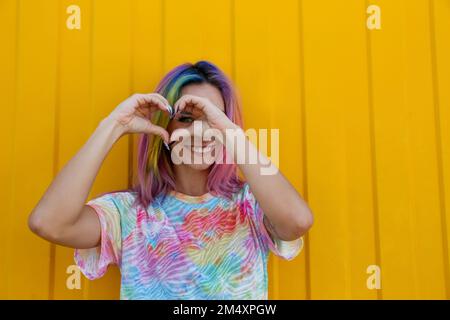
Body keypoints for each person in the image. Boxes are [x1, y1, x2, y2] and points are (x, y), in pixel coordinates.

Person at [28, 60, 314, 299]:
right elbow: (49, 223)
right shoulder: (128, 214)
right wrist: (113, 125)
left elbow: (297, 221)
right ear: (165, 127)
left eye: (212, 118)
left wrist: (230, 132)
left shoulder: (250, 204)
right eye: (186, 118)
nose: (200, 132)